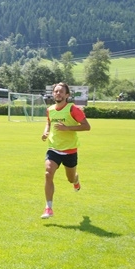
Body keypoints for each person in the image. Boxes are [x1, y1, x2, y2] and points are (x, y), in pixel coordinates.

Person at [40, 82, 91, 219]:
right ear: (53, 94)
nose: (58, 93)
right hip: (54, 148)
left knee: (70, 178)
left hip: (70, 151)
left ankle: (76, 180)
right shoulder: (50, 109)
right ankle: (48, 208)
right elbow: (48, 122)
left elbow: (87, 126)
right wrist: (46, 132)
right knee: (48, 173)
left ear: (67, 95)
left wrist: (68, 128)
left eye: (61, 91)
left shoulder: (73, 109)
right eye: (56, 91)